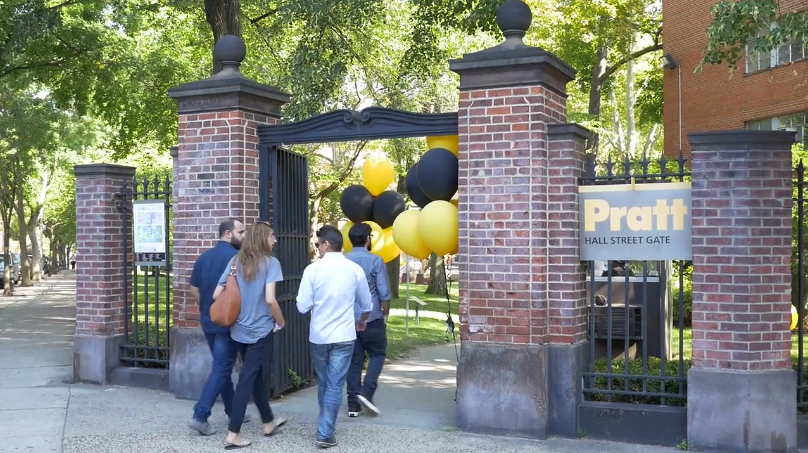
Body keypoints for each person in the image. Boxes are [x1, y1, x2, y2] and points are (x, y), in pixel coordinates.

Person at [212, 221, 288, 449]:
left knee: (253, 376)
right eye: (272, 236)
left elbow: (217, 294)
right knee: (246, 379)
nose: (275, 240)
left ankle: (268, 421)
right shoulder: (271, 264)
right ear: (262, 239)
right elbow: (270, 300)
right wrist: (281, 321)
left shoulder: (234, 262)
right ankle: (234, 433)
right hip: (260, 331)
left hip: (238, 330)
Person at [296, 225, 372, 449]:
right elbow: (366, 303)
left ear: (326, 244)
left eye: (318, 244)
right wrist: (362, 319)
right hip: (344, 335)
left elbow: (301, 306)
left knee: (325, 381)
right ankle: (325, 430)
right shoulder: (354, 269)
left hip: (319, 336)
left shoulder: (312, 270)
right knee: (335, 384)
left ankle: (325, 428)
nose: (317, 247)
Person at [188, 218, 246, 436]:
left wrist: (207, 306)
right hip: (227, 322)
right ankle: (200, 415)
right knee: (222, 368)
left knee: (222, 367)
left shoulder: (203, 258)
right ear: (228, 234)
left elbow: (193, 288)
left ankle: (233, 411)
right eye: (241, 231)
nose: (244, 236)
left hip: (208, 320)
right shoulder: (236, 259)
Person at [344, 222, 391, 417]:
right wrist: (386, 313)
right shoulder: (376, 261)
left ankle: (353, 405)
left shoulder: (344, 261)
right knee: (378, 354)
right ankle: (367, 391)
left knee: (354, 361)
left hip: (348, 320)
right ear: (368, 239)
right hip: (372, 317)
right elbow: (384, 293)